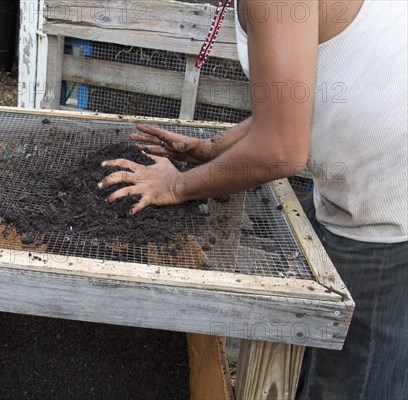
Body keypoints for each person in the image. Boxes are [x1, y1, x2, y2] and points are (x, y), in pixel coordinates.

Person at [97, 0, 408, 398]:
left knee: (356, 378)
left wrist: (177, 186)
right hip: (360, 191)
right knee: (316, 364)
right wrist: (214, 149)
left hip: (388, 214)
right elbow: (299, 98)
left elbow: (280, 150)